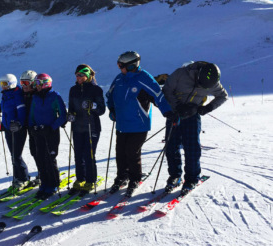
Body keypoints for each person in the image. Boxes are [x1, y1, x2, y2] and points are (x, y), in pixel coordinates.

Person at [106, 51, 177, 197]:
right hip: (121, 124)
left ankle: (134, 179)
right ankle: (122, 177)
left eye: (121, 66)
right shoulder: (119, 78)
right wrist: (112, 109)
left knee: (132, 152)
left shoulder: (144, 78)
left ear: (131, 66)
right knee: (120, 153)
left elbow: (158, 96)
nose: (119, 68)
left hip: (138, 124)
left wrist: (168, 112)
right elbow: (110, 95)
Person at [162, 61, 227, 194]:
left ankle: (191, 178)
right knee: (171, 147)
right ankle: (175, 176)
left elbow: (222, 95)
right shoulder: (181, 74)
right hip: (175, 115)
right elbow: (166, 90)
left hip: (192, 117)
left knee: (192, 149)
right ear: (198, 75)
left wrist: (207, 108)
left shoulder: (212, 81)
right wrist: (177, 107)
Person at [67, 64, 105, 194]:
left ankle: (90, 180)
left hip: (92, 126)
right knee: (78, 155)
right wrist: (71, 115)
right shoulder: (73, 90)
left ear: (88, 75)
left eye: (81, 75)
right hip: (77, 127)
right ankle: (80, 179)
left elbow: (101, 110)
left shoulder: (96, 90)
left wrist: (92, 105)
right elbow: (71, 107)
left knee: (89, 155)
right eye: (77, 75)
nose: (79, 77)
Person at [28, 73, 67, 199]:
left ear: (46, 83)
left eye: (38, 84)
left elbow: (62, 115)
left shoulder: (55, 96)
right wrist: (31, 126)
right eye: (35, 84)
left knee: (50, 158)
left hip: (51, 132)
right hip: (38, 132)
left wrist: (52, 127)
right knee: (40, 157)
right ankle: (44, 183)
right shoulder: (35, 97)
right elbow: (32, 114)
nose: (36, 86)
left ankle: (54, 183)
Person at [0, 73, 30, 192]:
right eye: (1, 84)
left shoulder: (17, 95)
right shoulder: (6, 95)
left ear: (12, 83)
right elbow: (7, 109)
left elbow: (22, 111)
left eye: (5, 84)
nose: (3, 86)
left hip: (17, 129)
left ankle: (24, 178)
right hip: (8, 128)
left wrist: (19, 124)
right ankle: (18, 177)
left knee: (16, 155)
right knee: (13, 155)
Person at [20, 70, 41, 184]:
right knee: (34, 151)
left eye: (26, 83)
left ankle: (48, 173)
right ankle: (41, 172)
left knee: (42, 151)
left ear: (33, 83)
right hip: (29, 128)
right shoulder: (23, 95)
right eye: (22, 83)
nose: (23, 86)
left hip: (39, 128)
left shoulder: (38, 95)